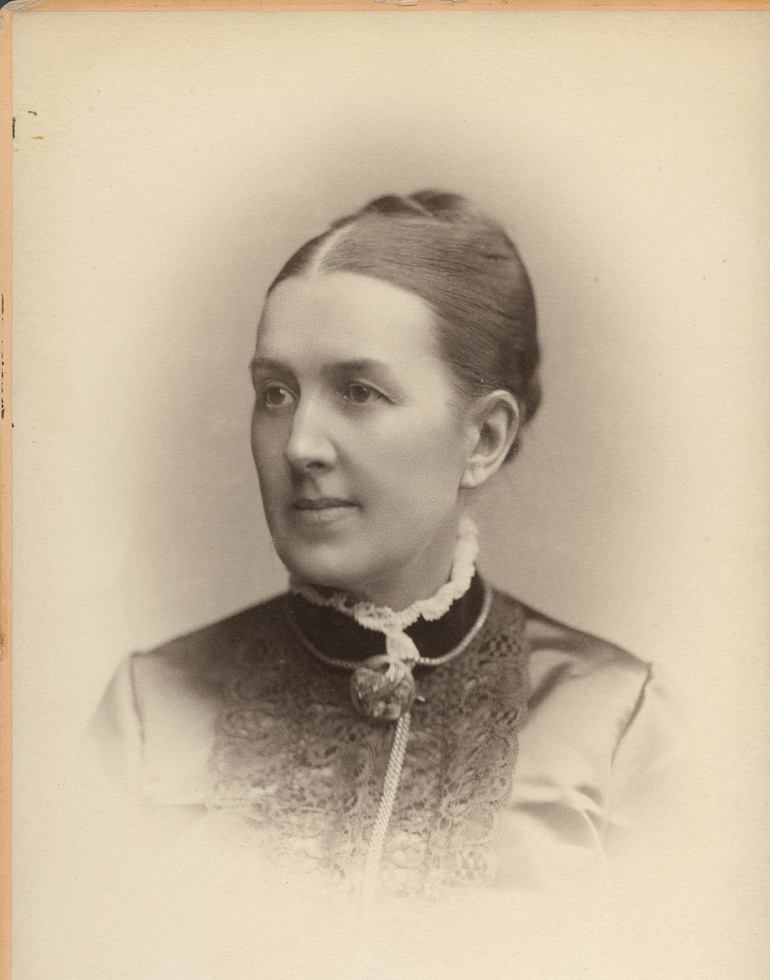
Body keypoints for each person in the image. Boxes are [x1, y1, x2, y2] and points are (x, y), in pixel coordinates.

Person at [87, 190, 674, 910]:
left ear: (484, 440)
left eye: (359, 392)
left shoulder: (616, 722)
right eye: (276, 393)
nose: (299, 445)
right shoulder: (150, 713)